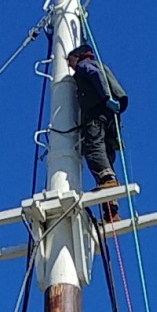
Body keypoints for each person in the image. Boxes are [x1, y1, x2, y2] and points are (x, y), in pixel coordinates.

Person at [66, 41, 127, 198]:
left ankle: (107, 178)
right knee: (106, 152)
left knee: (93, 147)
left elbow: (94, 75)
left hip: (97, 112)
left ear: (76, 57)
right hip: (111, 116)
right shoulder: (100, 64)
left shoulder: (83, 66)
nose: (69, 65)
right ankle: (111, 208)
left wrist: (105, 97)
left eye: (70, 60)